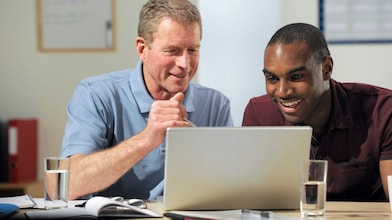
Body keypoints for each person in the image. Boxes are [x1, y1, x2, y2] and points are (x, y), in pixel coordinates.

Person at [61, 0, 233, 200]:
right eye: (173, 51)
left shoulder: (215, 104)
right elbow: (70, 185)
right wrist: (146, 139)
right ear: (142, 49)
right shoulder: (96, 95)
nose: (185, 64)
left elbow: (229, 186)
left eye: (193, 50)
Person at [242, 23, 392, 201]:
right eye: (272, 78)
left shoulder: (382, 110)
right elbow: (253, 201)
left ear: (326, 69)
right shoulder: (259, 114)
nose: (282, 91)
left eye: (296, 77)